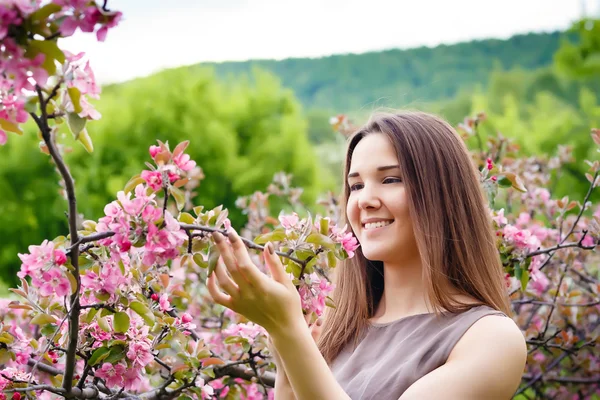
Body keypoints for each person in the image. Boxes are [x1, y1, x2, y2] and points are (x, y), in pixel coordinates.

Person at [206, 111, 527, 399]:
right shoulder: (336, 331)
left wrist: (287, 331)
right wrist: (284, 342)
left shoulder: (489, 339)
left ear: (442, 193)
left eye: (390, 179)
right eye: (356, 186)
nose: (365, 200)